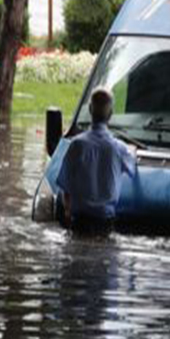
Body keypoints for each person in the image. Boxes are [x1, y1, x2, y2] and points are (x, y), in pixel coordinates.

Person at [56, 87, 136, 235]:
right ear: (111, 114)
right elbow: (132, 170)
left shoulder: (76, 145)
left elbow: (65, 187)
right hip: (105, 222)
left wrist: (67, 213)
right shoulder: (119, 149)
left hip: (79, 222)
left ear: (90, 110)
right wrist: (132, 151)